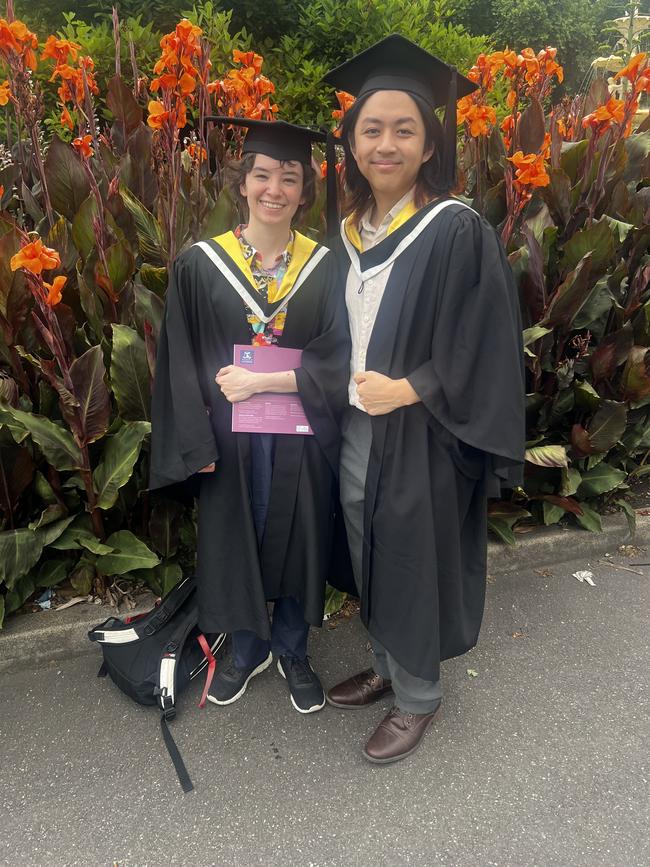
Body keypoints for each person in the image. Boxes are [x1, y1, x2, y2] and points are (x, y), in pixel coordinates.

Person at [323, 35, 526, 762]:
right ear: (351, 142)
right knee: (363, 542)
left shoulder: (454, 228)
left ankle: (418, 696)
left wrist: (410, 386)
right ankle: (384, 665)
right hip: (353, 426)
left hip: (422, 432)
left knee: (408, 554)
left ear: (428, 142)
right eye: (371, 129)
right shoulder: (345, 231)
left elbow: (487, 341)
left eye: (403, 129)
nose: (386, 143)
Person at [149, 118, 350, 714]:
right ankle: (246, 649)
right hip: (229, 439)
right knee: (238, 539)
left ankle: (292, 649)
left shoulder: (326, 266)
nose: (275, 189)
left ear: (304, 189)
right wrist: (195, 441)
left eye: (289, 178)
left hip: (300, 437)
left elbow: (339, 354)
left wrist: (272, 379)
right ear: (243, 183)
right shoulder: (201, 264)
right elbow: (180, 359)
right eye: (263, 175)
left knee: (298, 537)